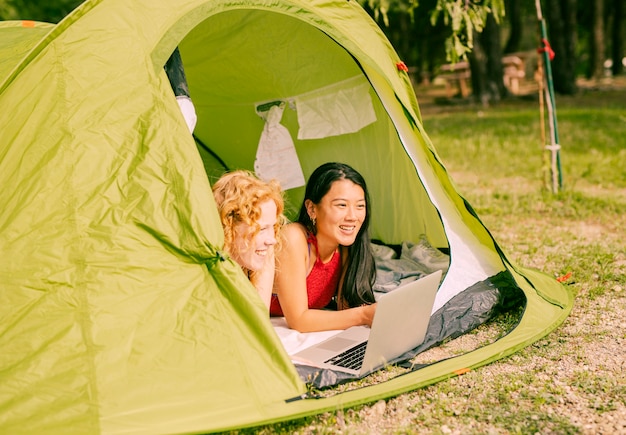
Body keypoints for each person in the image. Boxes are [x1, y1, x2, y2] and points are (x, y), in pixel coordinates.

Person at [271, 162, 377, 332]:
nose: (352, 216)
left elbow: (347, 310)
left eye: (360, 206)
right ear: (311, 209)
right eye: (341, 205)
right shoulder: (294, 237)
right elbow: (298, 320)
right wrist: (364, 315)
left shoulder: (345, 247)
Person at [212, 170, 285, 310]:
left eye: (274, 227)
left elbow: (260, 317)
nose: (272, 240)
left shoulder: (262, 254)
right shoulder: (205, 271)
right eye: (262, 229)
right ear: (229, 227)